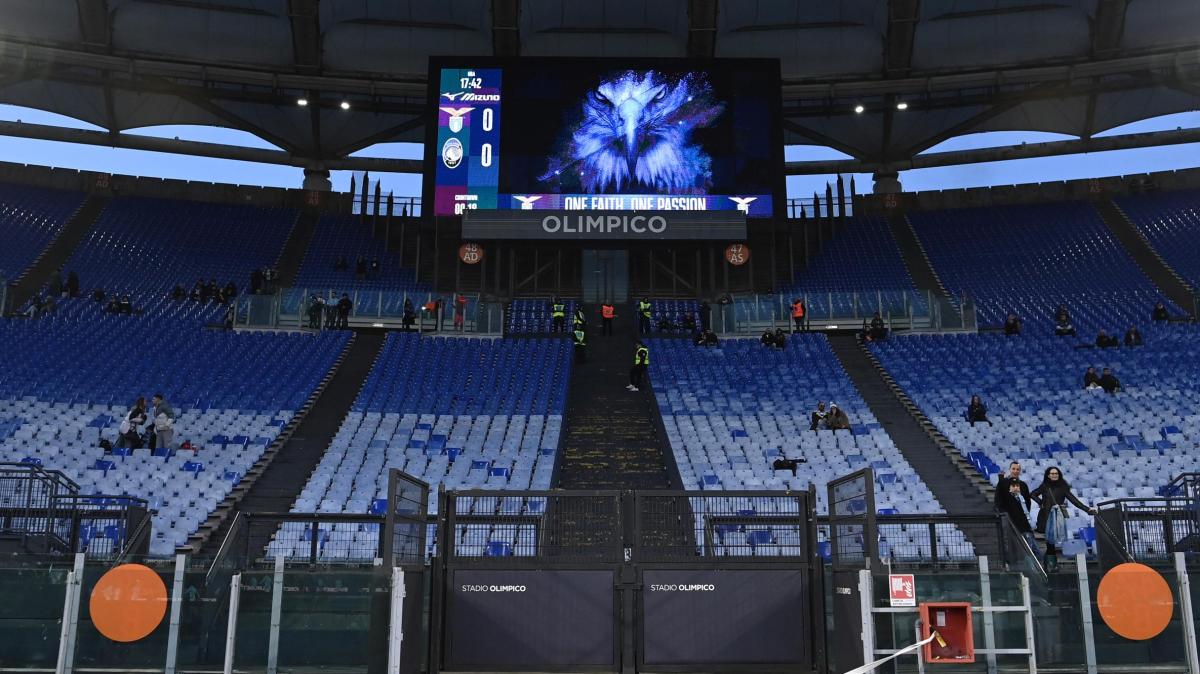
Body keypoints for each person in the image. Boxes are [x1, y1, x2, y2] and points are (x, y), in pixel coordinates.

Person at [1031, 466, 1096, 571]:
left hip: (1056, 516)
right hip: (1045, 516)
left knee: (1051, 542)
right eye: (1052, 473)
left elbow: (1074, 500)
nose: (1054, 475)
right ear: (1048, 475)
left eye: (1056, 473)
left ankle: (1050, 565)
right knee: (1050, 542)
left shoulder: (1063, 487)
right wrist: (1041, 503)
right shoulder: (1044, 486)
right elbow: (1032, 494)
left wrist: (1087, 509)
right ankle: (1050, 565)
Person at [998, 478, 1039, 554]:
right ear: (1009, 488)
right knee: (1027, 551)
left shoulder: (1021, 498)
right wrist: (1001, 478)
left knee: (1035, 551)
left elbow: (1026, 512)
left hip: (1026, 527)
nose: (1016, 488)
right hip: (1017, 527)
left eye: (1017, 486)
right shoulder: (1008, 498)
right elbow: (1001, 494)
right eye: (1013, 486)